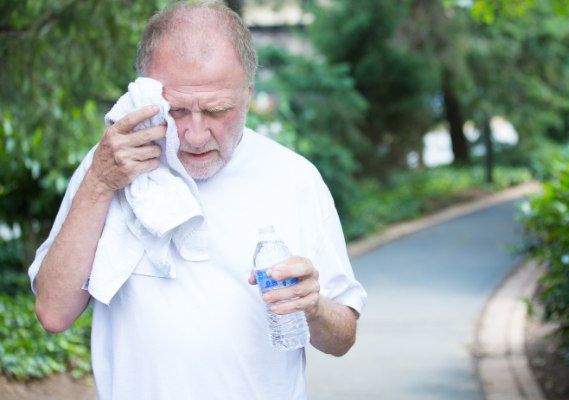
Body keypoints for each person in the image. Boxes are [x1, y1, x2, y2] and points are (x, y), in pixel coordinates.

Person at [27, 2, 366, 399]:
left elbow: (342, 337)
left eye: (217, 110)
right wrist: (101, 183)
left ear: (248, 95)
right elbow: (53, 312)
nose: (195, 134)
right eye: (177, 111)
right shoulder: (110, 165)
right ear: (145, 93)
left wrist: (315, 307)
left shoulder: (294, 179)